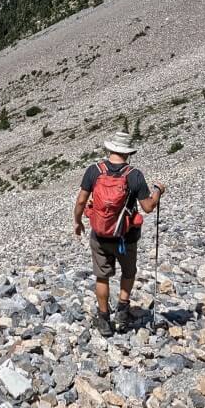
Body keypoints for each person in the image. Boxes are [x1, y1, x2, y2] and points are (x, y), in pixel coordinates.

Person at [73, 131, 165, 336]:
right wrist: (158, 191)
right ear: (128, 152)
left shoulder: (93, 171)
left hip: (100, 234)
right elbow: (148, 207)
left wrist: (78, 222)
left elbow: (81, 201)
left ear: (109, 149)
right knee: (129, 272)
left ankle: (104, 320)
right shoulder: (134, 175)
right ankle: (122, 311)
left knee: (102, 277)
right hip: (126, 235)